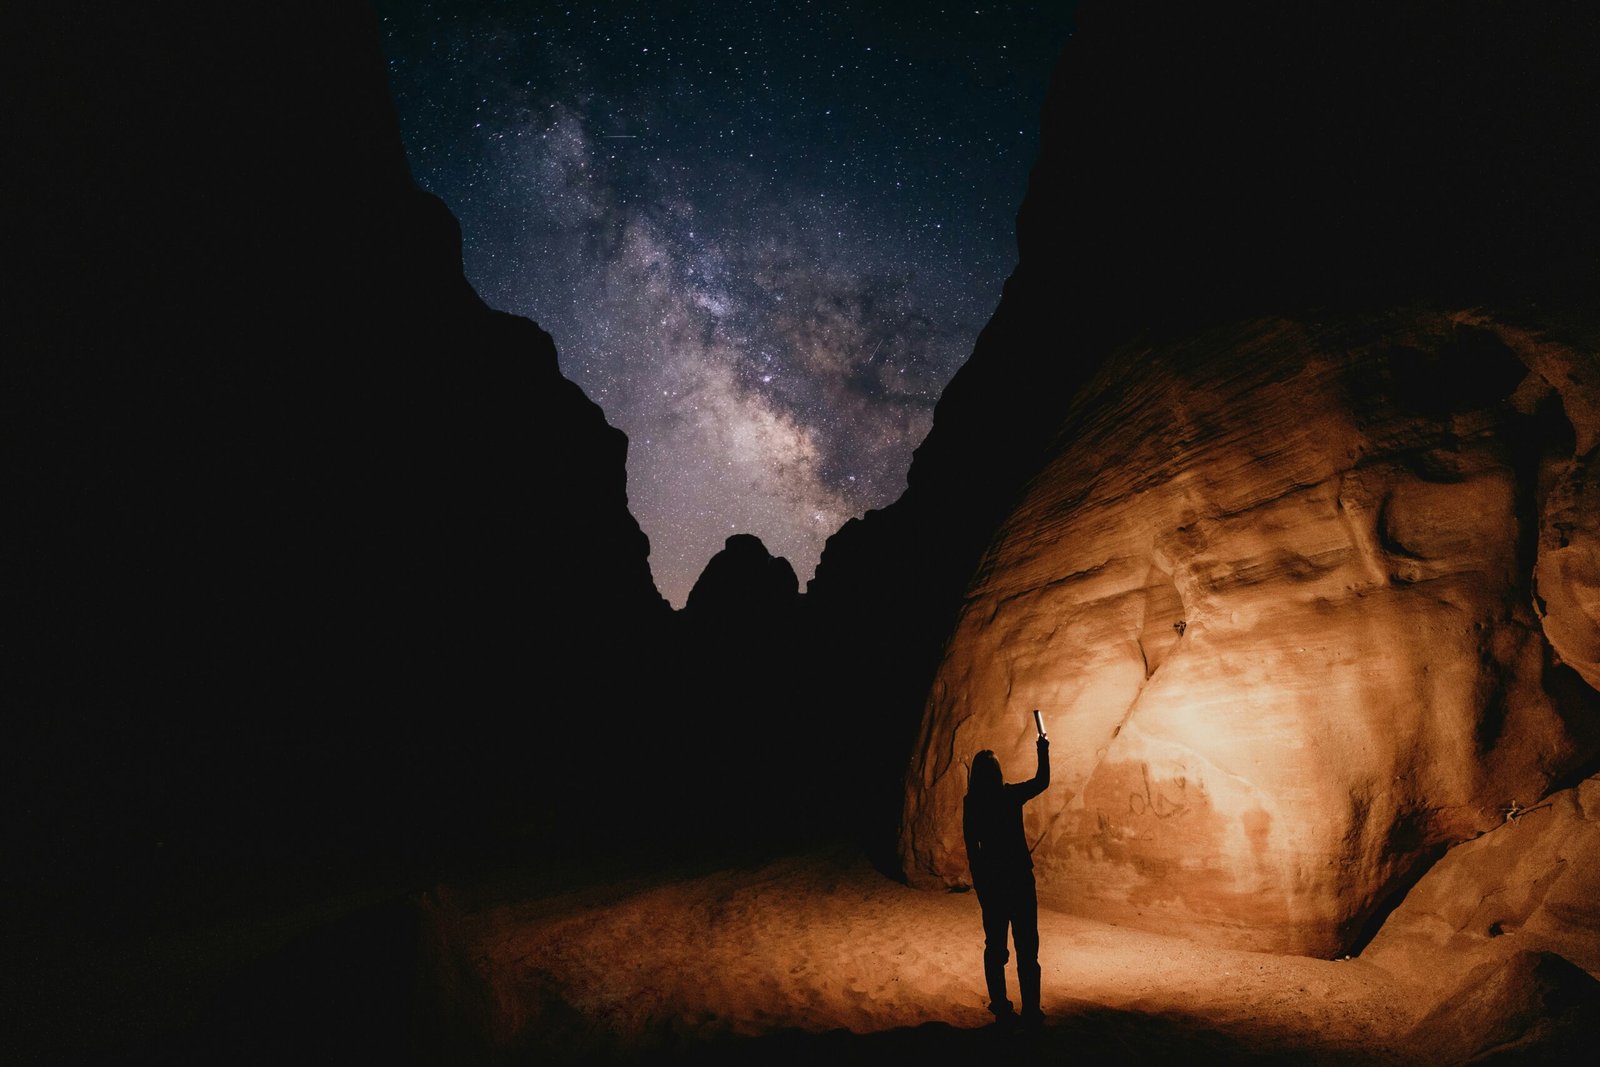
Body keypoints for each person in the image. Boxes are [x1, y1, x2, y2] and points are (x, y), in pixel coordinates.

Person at [963, 727, 1050, 1026]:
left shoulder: (972, 803)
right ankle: (1031, 1011)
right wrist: (1042, 747)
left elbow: (972, 851)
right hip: (1020, 882)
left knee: (996, 947)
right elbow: (1043, 781)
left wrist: (981, 889)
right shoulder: (1010, 795)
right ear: (998, 772)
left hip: (993, 884)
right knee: (1027, 948)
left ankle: (1000, 1006)